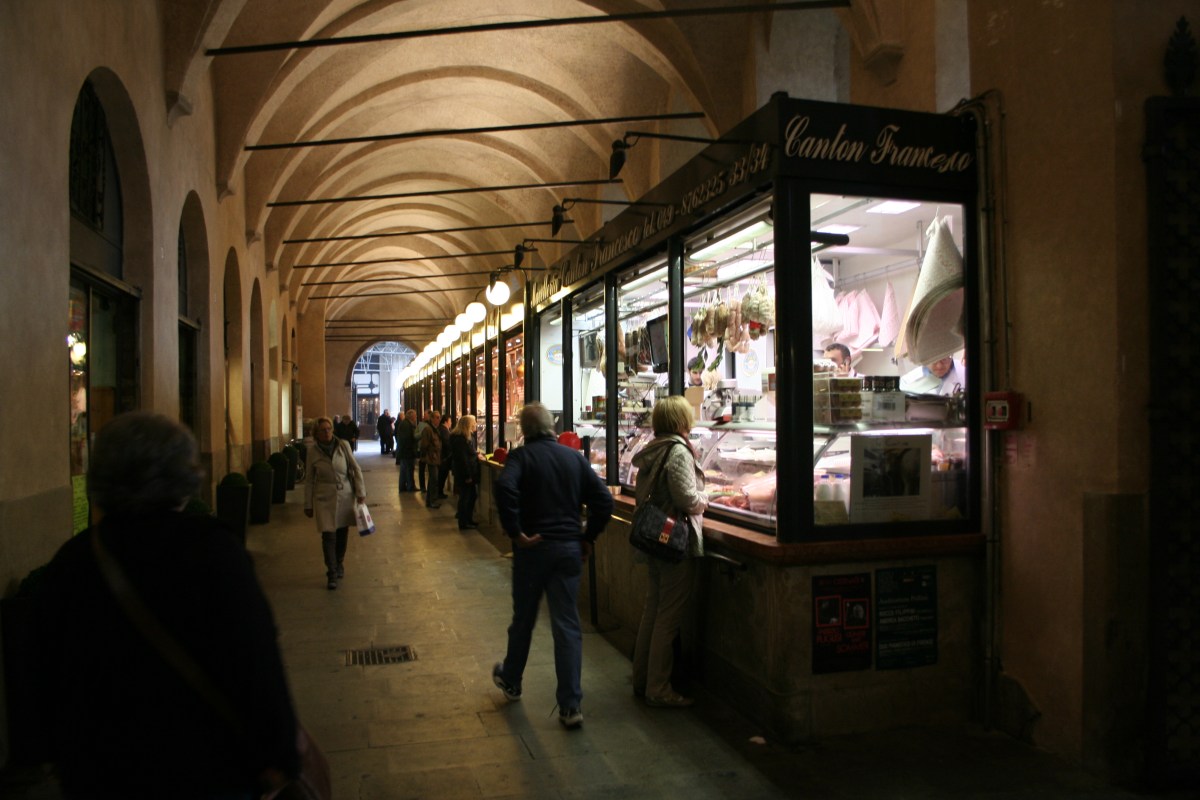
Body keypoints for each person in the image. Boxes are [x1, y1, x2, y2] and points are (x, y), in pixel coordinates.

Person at [27, 411, 299, 798]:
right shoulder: (212, 551)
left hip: (102, 773)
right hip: (205, 767)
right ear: (181, 475)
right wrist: (281, 753)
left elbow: (43, 673)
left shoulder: (72, 563)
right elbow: (254, 656)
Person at [491, 402, 614, 729]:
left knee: (524, 619)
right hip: (567, 551)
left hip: (533, 551)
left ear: (524, 430)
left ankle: (512, 679)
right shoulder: (574, 458)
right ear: (551, 427)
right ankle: (570, 705)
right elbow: (604, 500)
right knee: (567, 625)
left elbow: (505, 487)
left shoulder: (519, 457)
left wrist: (516, 532)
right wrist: (588, 537)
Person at [629, 395, 708, 708]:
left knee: (654, 609)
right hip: (672, 542)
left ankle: (642, 679)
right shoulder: (677, 451)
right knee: (668, 616)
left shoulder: (654, 448)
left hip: (654, 539)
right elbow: (687, 498)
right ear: (680, 421)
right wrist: (707, 498)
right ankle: (658, 687)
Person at [305, 415, 366, 590]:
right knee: (328, 535)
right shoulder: (313, 452)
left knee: (341, 533)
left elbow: (355, 468)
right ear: (316, 433)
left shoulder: (343, 446)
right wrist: (307, 504)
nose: (327, 433)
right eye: (323, 430)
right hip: (324, 496)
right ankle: (331, 572)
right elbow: (309, 479)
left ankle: (339, 562)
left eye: (329, 429)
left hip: (345, 494)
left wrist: (361, 492)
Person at [448, 414, 482, 529]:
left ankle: (468, 519)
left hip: (466, 472)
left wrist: (475, 454)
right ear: (468, 425)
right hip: (466, 474)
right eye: (474, 423)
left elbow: (466, 455)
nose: (476, 424)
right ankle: (464, 522)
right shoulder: (461, 439)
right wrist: (468, 475)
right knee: (466, 497)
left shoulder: (463, 438)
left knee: (470, 496)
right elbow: (463, 459)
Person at [420, 411, 443, 509]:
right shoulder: (428, 429)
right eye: (437, 417)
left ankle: (430, 500)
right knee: (434, 479)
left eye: (439, 417)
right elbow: (424, 445)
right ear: (432, 418)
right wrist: (426, 456)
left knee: (433, 480)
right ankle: (432, 501)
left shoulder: (435, 429)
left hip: (436, 457)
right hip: (431, 458)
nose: (439, 419)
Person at [395, 408, 418, 491]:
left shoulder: (405, 424)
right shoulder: (406, 425)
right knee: (408, 470)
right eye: (415, 416)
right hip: (407, 452)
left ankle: (403, 487)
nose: (416, 418)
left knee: (404, 470)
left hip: (405, 451)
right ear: (411, 417)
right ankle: (410, 487)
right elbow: (406, 439)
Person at [434, 413, 452, 500]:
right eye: (450, 421)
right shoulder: (444, 430)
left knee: (441, 476)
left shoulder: (441, 429)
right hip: (444, 457)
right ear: (446, 421)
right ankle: (439, 492)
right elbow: (447, 443)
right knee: (442, 475)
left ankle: (439, 492)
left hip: (442, 457)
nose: (451, 423)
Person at [415, 410, 433, 493]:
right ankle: (422, 487)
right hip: (421, 449)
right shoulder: (420, 424)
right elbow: (415, 435)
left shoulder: (433, 426)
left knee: (431, 470)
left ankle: (430, 487)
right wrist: (422, 434)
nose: (424, 416)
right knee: (421, 469)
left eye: (425, 415)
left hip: (431, 450)